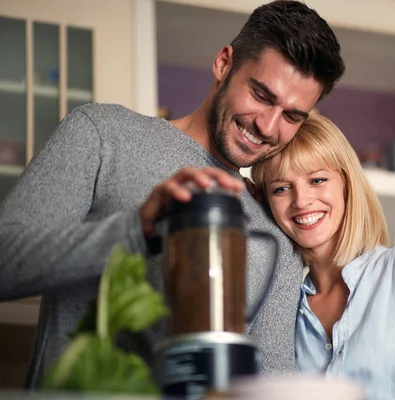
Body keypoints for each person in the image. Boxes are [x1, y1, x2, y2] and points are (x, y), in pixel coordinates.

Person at [0, 0, 345, 388]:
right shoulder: (103, 133)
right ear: (224, 63)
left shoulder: (273, 233)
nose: (268, 126)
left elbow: (267, 383)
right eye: (262, 95)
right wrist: (135, 231)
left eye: (291, 116)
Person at [250, 112, 395, 399]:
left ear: (347, 183)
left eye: (318, 180)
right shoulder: (285, 313)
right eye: (282, 188)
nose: (301, 201)